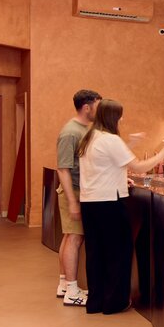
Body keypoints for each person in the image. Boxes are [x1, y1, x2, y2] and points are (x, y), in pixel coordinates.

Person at [77, 99, 164, 315]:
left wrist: (128, 149)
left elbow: (104, 165)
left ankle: (96, 302)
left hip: (90, 203)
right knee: (118, 252)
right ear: (112, 117)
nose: (123, 119)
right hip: (109, 203)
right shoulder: (111, 139)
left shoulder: (90, 137)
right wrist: (163, 154)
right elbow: (138, 166)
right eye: (120, 115)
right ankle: (115, 302)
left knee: (96, 253)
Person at [55, 89, 101, 307]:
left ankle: (65, 283)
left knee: (69, 237)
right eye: (97, 106)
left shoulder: (84, 129)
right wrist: (73, 201)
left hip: (78, 190)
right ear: (87, 107)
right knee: (74, 238)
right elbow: (62, 169)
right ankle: (72, 290)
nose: (98, 111)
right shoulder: (71, 132)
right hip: (72, 191)